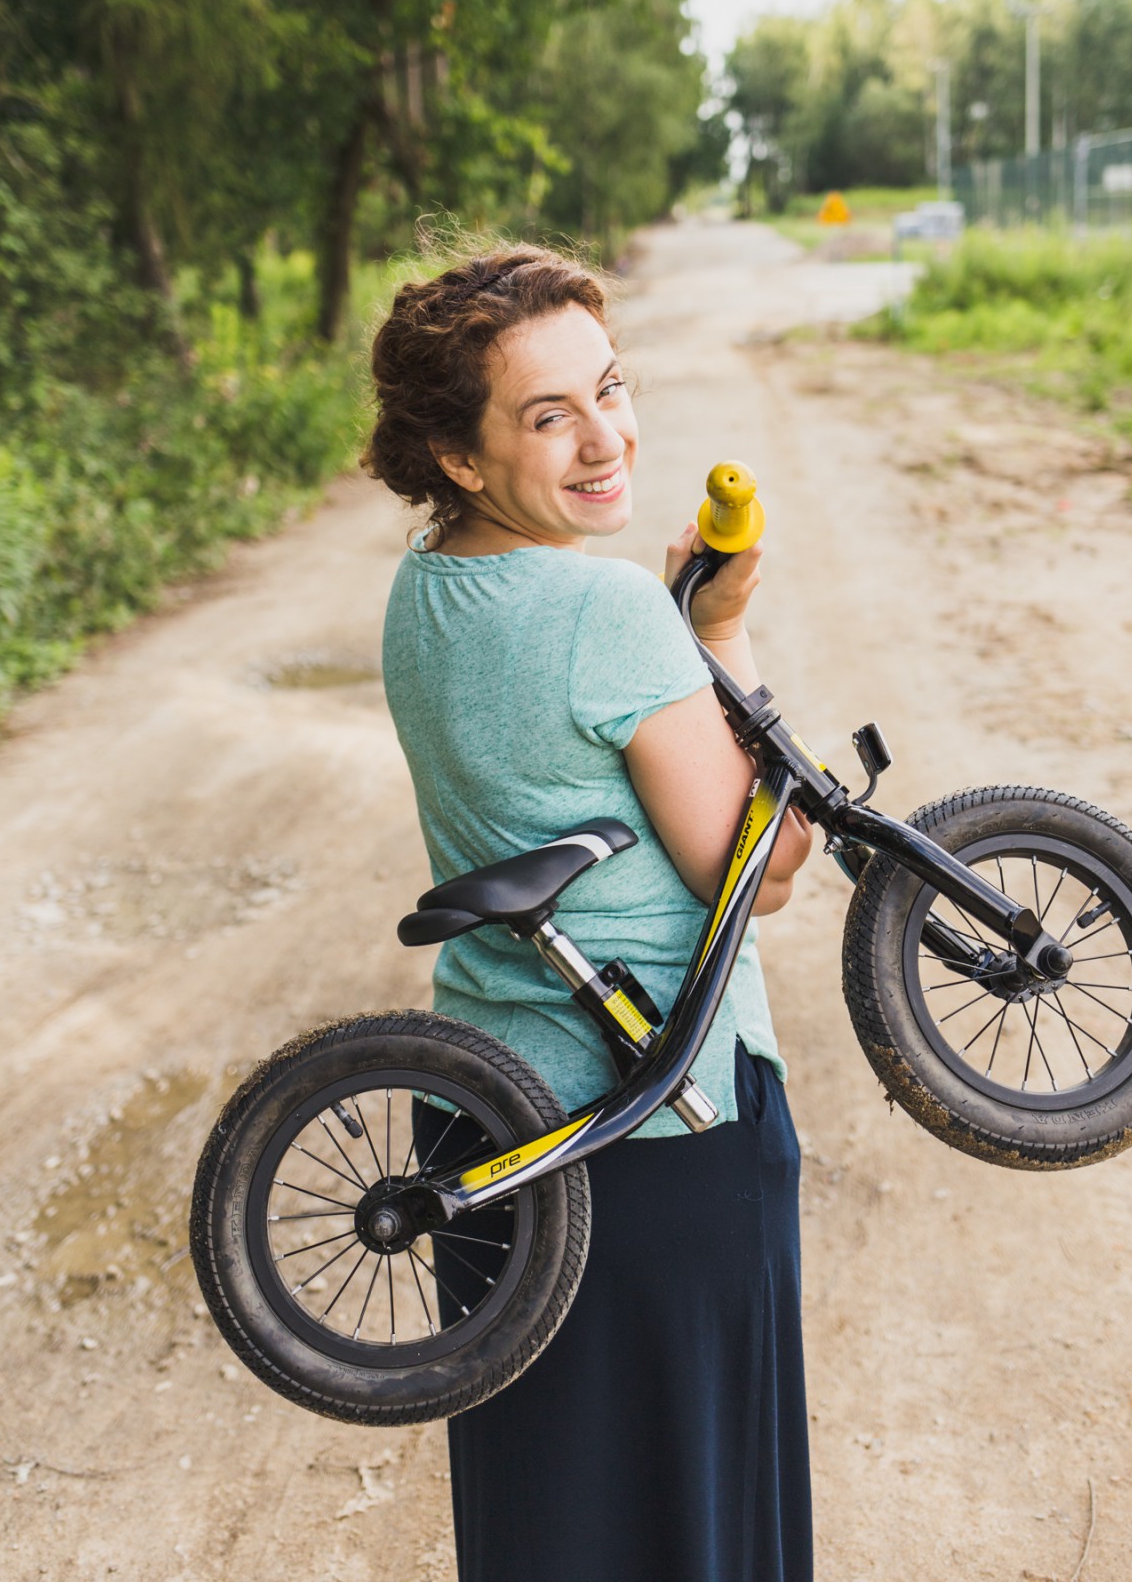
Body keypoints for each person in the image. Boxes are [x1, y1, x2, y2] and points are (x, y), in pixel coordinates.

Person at [365, 244, 815, 1582]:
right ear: (456, 450)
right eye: (545, 414)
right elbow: (762, 867)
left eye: (608, 390)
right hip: (657, 1133)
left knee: (547, 1525)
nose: (604, 437)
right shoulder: (608, 607)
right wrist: (721, 633)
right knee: (691, 1525)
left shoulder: (423, 590)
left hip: (486, 1129)